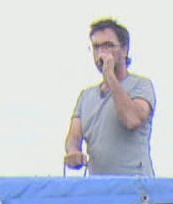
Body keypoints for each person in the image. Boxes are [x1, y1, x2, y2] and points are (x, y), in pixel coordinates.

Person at [63, 18, 155, 176]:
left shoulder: (141, 86)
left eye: (108, 45)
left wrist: (110, 76)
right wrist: (73, 152)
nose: (101, 53)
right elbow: (74, 135)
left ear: (125, 49)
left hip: (135, 189)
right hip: (100, 191)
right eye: (96, 47)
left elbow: (132, 119)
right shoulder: (86, 96)